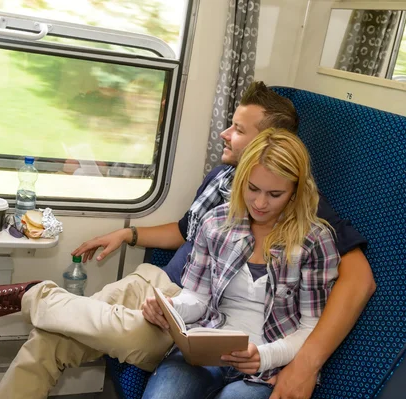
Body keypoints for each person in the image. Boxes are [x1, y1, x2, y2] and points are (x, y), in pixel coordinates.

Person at [0, 81, 375, 399]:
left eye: (238, 129)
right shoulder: (225, 185)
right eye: (230, 123)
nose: (225, 134)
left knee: (112, 332)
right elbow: (185, 230)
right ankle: (43, 306)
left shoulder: (307, 213)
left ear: (270, 143)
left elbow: (357, 282)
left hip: (200, 314)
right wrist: (130, 232)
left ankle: (37, 296)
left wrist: (305, 363)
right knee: (50, 340)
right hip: (165, 286)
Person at [141, 128, 339, 398]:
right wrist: (172, 309)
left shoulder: (315, 241)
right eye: (253, 188)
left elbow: (311, 329)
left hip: (269, 365)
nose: (259, 203)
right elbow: (197, 298)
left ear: (295, 191)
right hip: (207, 348)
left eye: (274, 194)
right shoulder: (216, 223)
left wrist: (264, 357)